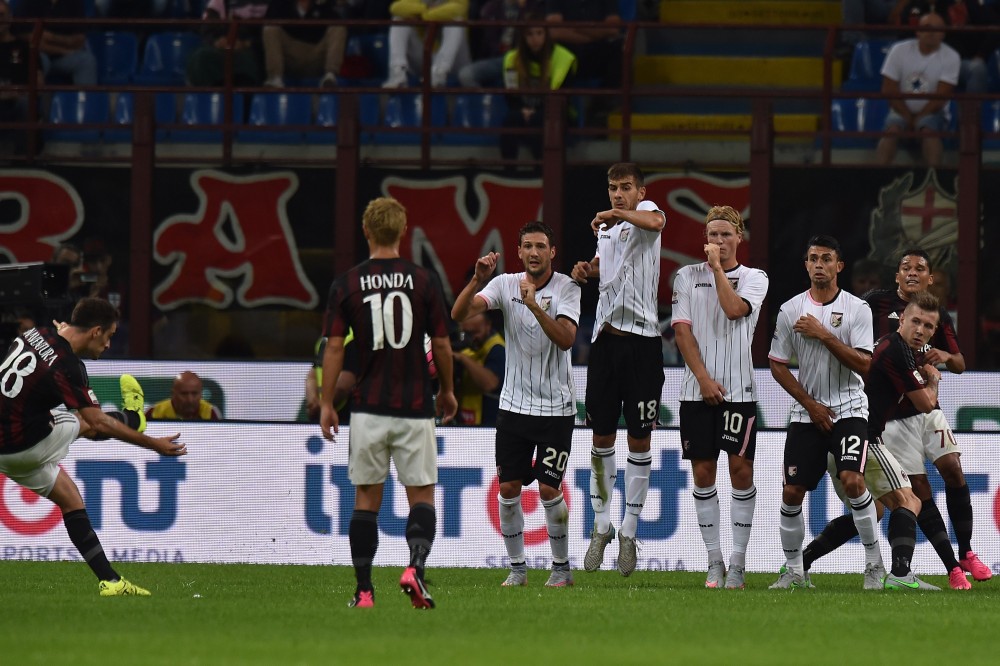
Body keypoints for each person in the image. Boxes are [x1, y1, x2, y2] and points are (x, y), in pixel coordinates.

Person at [320, 196, 457, 609]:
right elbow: (444, 344)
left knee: (366, 500)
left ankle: (364, 592)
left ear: (366, 231)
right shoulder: (425, 280)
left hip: (367, 408)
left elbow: (333, 349)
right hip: (415, 407)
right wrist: (447, 389)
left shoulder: (345, 284)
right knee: (422, 496)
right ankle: (414, 568)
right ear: (403, 231)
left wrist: (327, 402)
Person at [0, 298, 187, 595]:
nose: (110, 345)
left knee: (71, 498)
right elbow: (98, 422)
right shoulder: (69, 366)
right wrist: (153, 445)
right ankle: (134, 416)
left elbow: (53, 348)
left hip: (5, 452)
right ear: (96, 331)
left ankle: (111, 582)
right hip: (26, 444)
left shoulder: (35, 333)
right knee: (87, 421)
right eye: (110, 336)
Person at [451, 221, 581, 587]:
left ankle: (560, 569)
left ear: (552, 252)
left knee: (549, 490)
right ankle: (518, 569)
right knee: (508, 491)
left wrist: (535, 307)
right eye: (528, 246)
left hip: (557, 410)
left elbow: (567, 339)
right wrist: (477, 280)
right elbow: (459, 314)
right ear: (520, 251)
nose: (535, 252)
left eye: (541, 246)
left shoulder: (567, 288)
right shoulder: (504, 283)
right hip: (513, 407)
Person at [796, 291, 949, 591]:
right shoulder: (897, 350)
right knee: (909, 500)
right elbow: (926, 404)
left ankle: (800, 563)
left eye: (929, 327)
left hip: (840, 437)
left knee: (871, 511)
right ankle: (901, 574)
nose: (921, 330)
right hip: (863, 436)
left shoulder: (891, 346)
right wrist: (932, 379)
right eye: (915, 321)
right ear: (901, 319)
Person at [863, 248, 992, 584]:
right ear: (896, 275)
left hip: (927, 406)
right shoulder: (875, 303)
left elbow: (960, 364)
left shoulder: (937, 315)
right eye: (905, 267)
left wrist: (945, 355)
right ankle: (951, 567)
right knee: (918, 490)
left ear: (929, 278)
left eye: (920, 268)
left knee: (952, 467)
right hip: (893, 416)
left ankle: (967, 552)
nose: (912, 273)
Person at [767, 235, 883, 589]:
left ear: (839, 266)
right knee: (792, 493)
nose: (819, 264)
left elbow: (865, 364)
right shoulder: (789, 309)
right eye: (813, 258)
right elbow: (777, 364)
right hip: (807, 412)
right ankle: (795, 572)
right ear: (806, 264)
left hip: (849, 408)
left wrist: (824, 335)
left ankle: (874, 565)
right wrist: (811, 405)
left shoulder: (857, 309)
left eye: (826, 258)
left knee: (853, 481)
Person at [570, 163, 666, 577]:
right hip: (605, 343)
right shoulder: (607, 230)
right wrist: (585, 271)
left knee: (640, 438)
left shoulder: (646, 214)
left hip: (643, 343)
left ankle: (629, 529)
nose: (617, 194)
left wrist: (618, 213)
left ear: (639, 190)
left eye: (625, 188)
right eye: (612, 189)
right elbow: (602, 267)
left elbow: (655, 221)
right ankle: (602, 524)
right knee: (601, 435)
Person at [670, 205, 768, 590]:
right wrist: (703, 379)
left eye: (726, 234)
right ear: (705, 239)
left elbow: (732, 310)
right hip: (696, 392)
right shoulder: (685, 277)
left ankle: (739, 563)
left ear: (739, 238)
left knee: (740, 472)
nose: (719, 241)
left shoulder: (755, 278)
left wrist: (715, 271)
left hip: (740, 391)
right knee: (702, 473)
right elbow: (682, 332)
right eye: (713, 235)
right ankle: (714, 562)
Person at [875, 12, 959, 168]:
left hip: (934, 112)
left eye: (937, 29)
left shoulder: (952, 57)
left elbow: (941, 97)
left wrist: (919, 118)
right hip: (900, 109)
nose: (932, 32)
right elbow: (888, 88)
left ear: (943, 34)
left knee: (928, 131)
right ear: (918, 31)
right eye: (927, 28)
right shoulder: (898, 50)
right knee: (891, 131)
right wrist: (908, 117)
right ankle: (879, 177)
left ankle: (934, 179)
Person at [499, 16, 577, 162]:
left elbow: (562, 97)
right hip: (523, 110)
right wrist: (522, 109)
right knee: (509, 121)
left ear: (546, 35)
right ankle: (509, 170)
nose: (535, 39)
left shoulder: (563, 57)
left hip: (556, 112)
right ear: (523, 37)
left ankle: (541, 172)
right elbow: (510, 94)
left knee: (540, 120)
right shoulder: (512, 59)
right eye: (530, 34)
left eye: (539, 33)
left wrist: (535, 111)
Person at [544, 0, 621, 124]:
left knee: (619, 49)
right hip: (569, 52)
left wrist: (574, 27)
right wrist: (592, 32)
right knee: (559, 54)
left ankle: (601, 107)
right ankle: (563, 115)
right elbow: (554, 31)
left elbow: (613, 28)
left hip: (596, 52)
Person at [382, 0, 470, 88]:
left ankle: (439, 72)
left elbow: (459, 8)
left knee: (456, 20)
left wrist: (424, 16)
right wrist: (426, 9)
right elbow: (395, 7)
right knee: (399, 19)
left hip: (454, 62)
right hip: (423, 58)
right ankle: (398, 72)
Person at [457, 0, 544, 88]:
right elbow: (490, 42)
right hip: (499, 59)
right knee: (466, 75)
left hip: (522, 58)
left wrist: (523, 8)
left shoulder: (533, 6)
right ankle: (484, 100)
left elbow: (534, 36)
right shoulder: (491, 7)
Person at [261, 0, 348, 88]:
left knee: (338, 26)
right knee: (270, 28)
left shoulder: (324, 5)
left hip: (317, 56)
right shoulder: (280, 4)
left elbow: (337, 16)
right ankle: (275, 78)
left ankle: (330, 76)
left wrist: (324, 5)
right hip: (290, 57)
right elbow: (268, 20)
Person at [186, 0, 269, 87]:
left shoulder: (270, 3)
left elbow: (274, 32)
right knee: (199, 58)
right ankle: (213, 98)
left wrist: (247, 43)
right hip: (223, 48)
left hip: (255, 49)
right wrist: (217, 41)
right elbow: (207, 30)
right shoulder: (219, 2)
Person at [14, 0, 97, 86]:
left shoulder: (74, 2)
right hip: (39, 55)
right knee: (41, 60)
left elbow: (79, 40)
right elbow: (31, 41)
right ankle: (34, 98)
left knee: (86, 60)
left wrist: (52, 37)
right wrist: (64, 49)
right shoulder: (28, 3)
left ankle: (85, 98)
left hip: (63, 57)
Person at [452, 311, 505, 426]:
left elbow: (490, 383)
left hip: (490, 423)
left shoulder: (498, 349)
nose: (472, 338)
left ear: (488, 325)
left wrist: (463, 359)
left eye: (475, 333)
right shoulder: (467, 348)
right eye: (467, 333)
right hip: (466, 420)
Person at [0, 0, 37, 156]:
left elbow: (38, 83)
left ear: (11, 17)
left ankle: (22, 158)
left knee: (25, 103)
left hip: (16, 102)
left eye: (1, 15)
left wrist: (14, 93)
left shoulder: (24, 47)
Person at [304, 332, 358, 423]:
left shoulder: (354, 339)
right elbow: (312, 376)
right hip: (324, 412)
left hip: (344, 416)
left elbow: (343, 386)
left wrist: (320, 405)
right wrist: (314, 402)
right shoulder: (324, 339)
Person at [146, 371, 223, 421]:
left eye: (194, 393)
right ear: (173, 394)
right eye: (184, 394)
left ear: (201, 394)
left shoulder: (211, 412)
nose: (190, 400)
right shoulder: (153, 412)